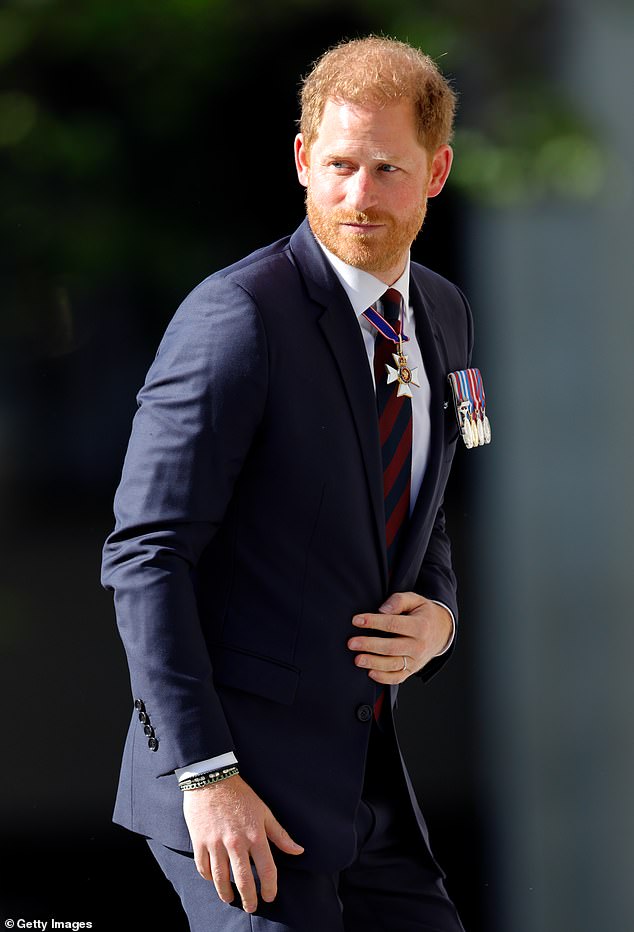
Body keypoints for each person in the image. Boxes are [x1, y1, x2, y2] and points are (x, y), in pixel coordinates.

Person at [102, 35, 474, 932]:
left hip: (366, 788)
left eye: (389, 168)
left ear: (438, 171)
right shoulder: (238, 317)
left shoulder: (445, 314)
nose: (359, 196)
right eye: (340, 164)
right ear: (304, 158)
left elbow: (417, 500)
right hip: (239, 798)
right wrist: (206, 776)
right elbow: (146, 554)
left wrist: (438, 613)